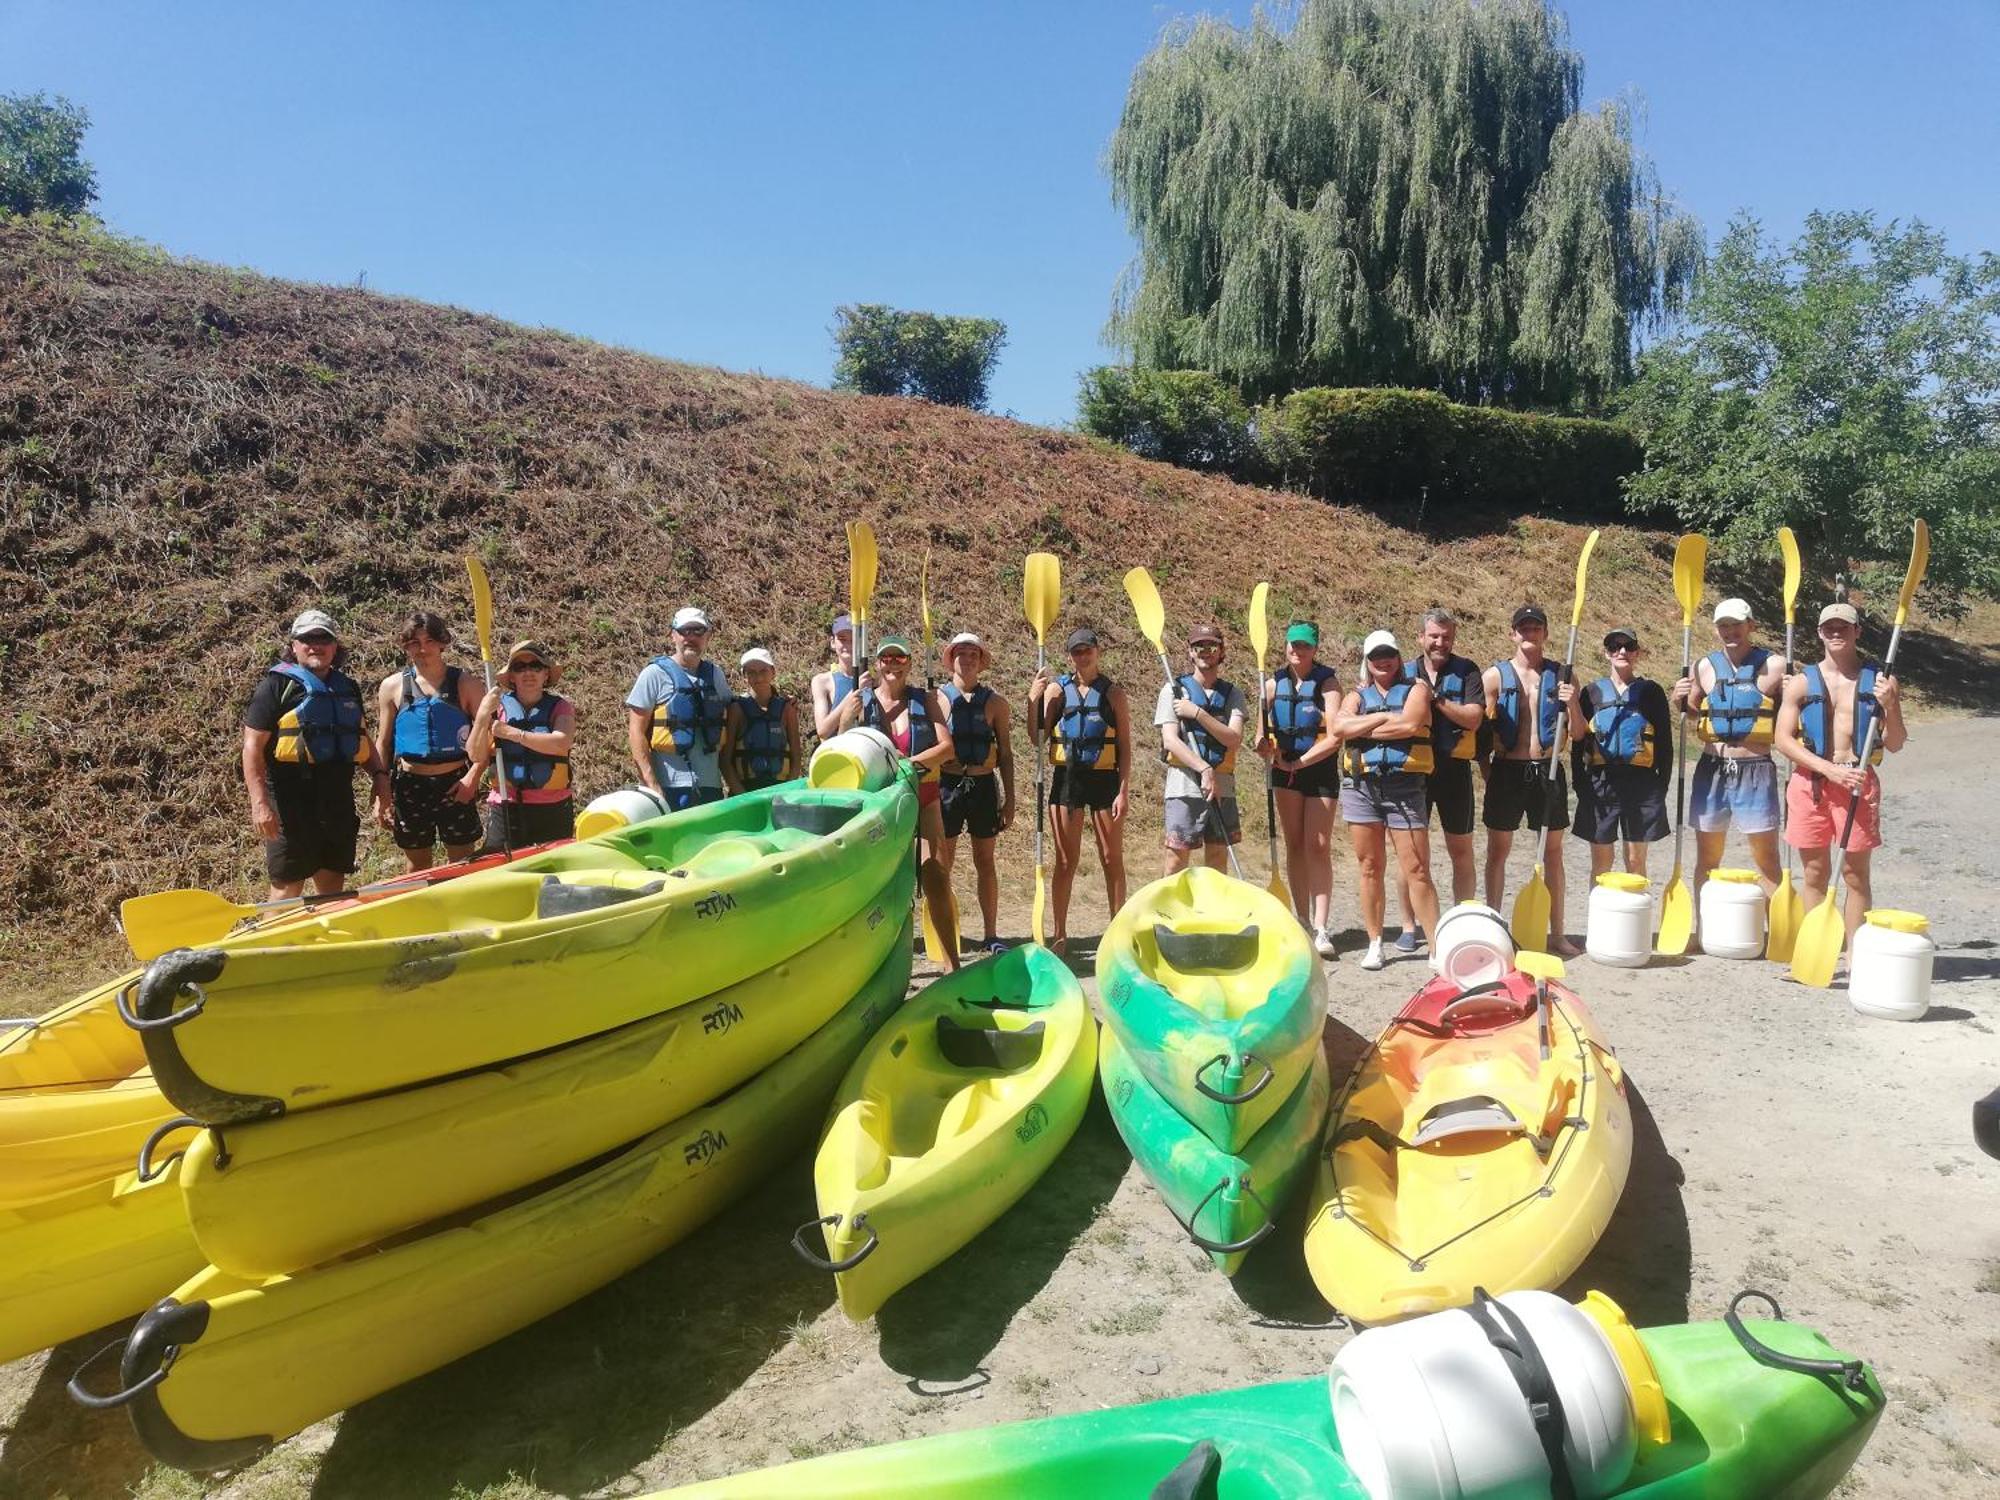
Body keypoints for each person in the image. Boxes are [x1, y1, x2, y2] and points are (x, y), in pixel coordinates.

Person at [1773, 602, 1907, 947]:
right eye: (1829, 628)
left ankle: (1854, 953)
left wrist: (1891, 706)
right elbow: (1782, 740)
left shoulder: (1881, 681)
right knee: (1815, 873)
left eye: (1844, 627)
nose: (1836, 633)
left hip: (1858, 782)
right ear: (1819, 633)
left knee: (1855, 875)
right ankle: (1816, 950)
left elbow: (1895, 743)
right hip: (1812, 784)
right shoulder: (1802, 683)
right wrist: (1828, 770)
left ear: (1857, 632)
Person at [242, 609, 383, 900]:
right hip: (290, 801)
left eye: (324, 638)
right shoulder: (276, 686)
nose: (315, 645)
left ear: (335, 646)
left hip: (337, 798)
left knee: (332, 882)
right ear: (294, 645)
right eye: (307, 638)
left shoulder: (347, 688)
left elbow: (361, 737)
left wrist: (381, 780)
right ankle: (275, 941)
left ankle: (324, 941)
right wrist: (260, 804)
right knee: (287, 886)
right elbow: (252, 748)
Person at [1336, 631, 1441, 971]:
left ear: (1398, 656)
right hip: (1361, 788)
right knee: (1369, 867)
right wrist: (1382, 719)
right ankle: (1375, 943)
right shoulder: (1356, 694)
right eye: (1376, 656)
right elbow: (1338, 727)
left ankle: (1436, 948)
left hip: (1405, 788)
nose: (1383, 661)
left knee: (1417, 870)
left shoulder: (1418, 689)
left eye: (1389, 654)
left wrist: (1363, 727)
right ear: (1367, 660)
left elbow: (1410, 724)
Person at [1672, 597, 1787, 902]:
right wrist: (1679, 701)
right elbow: (1695, 710)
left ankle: (1776, 935)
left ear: (1751, 626)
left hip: (1756, 769)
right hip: (1713, 768)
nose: (1730, 631)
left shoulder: (1775, 666)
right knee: (1707, 860)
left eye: (1736, 625)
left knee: (1767, 860)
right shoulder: (1704, 666)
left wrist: (1792, 694)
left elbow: (1791, 716)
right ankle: (1703, 928)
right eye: (1723, 626)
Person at [1482, 603, 1580, 956]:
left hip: (1547, 770)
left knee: (1552, 854)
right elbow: (1482, 733)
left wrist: (1575, 705)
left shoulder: (1563, 676)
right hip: (1507, 770)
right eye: (1523, 628)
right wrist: (1487, 770)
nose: (1529, 633)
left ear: (1545, 634)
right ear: (1513, 633)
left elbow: (1580, 732)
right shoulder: (1494, 676)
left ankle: (1558, 933)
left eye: (1535, 628)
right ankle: (1495, 925)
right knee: (1498, 850)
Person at [1029, 628, 1131, 955]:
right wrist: (1034, 699)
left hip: (1104, 780)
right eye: (1076, 652)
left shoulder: (1113, 694)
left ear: (1097, 652)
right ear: (1069, 655)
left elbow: (1126, 747)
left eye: (1087, 650)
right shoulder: (1056, 691)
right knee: (1064, 860)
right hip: (1067, 779)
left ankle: (1116, 932)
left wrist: (1123, 791)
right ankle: (1059, 935)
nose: (1082, 657)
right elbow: (1037, 737)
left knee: (1111, 857)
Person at [862, 633, 960, 970]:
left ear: (909, 664)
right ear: (877, 664)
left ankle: (952, 966)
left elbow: (947, 749)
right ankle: (886, 966)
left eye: (899, 659)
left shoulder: (926, 700)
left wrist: (908, 766)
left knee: (936, 877)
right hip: (883, 807)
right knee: (887, 887)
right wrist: (847, 713)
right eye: (886, 659)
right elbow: (836, 742)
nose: (893, 665)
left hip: (924, 799)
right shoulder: (862, 702)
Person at [1394, 607, 1485, 948]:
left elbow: (1474, 718)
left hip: (1453, 772)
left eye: (1446, 637)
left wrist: (1435, 698)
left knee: (1460, 849)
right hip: (1412, 772)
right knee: (1411, 856)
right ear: (1421, 638)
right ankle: (1408, 925)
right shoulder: (1402, 672)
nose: (1439, 642)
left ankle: (1461, 919)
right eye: (1433, 636)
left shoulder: (1468, 671)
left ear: (1453, 638)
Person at [373, 610, 487, 873]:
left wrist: (473, 778)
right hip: (410, 785)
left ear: (442, 642)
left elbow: (488, 738)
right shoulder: (391, 687)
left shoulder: (467, 685)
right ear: (405, 646)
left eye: (430, 641)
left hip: (455, 782)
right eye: (414, 643)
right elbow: (383, 742)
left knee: (461, 863)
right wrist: (381, 790)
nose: (423, 649)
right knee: (417, 864)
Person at [1256, 620, 1342, 958]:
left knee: (1317, 845)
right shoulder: (1272, 684)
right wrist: (1264, 744)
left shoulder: (1328, 683)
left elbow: (1335, 736)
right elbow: (1260, 737)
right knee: (1294, 844)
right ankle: (1302, 920)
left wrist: (1300, 762)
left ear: (1315, 649)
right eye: (1293, 644)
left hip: (1317, 768)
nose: (1297, 650)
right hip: (1284, 769)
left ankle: (1321, 927)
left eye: (1304, 645)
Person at [1568, 628, 1672, 879]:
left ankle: (1635, 915)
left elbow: (1665, 743)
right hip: (1601, 783)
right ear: (1607, 653)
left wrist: (1661, 785)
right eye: (1614, 646)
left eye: (1628, 646)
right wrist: (1581, 784)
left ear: (1637, 652)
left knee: (1635, 861)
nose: (1622, 651)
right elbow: (1578, 742)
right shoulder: (1591, 693)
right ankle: (1599, 916)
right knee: (1602, 864)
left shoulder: (1651, 692)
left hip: (1641, 783)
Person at [936, 632, 1016, 955]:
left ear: (981, 661)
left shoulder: (995, 704)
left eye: (973, 654)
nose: (966, 660)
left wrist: (1009, 800)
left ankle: (991, 935)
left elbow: (1007, 755)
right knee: (944, 863)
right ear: (952, 659)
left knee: (986, 861)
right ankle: (946, 933)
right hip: (949, 786)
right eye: (961, 654)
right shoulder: (938, 700)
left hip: (983, 787)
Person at [1156, 622, 1248, 876]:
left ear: (1221, 651)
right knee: (1176, 858)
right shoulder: (1173, 690)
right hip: (1183, 785)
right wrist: (1203, 767)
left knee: (1218, 859)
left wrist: (1196, 713)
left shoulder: (1232, 694)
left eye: (1211, 645)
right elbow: (1170, 740)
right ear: (1190, 652)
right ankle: (1170, 913)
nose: (1205, 650)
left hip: (1223, 785)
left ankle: (1214, 914)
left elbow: (1233, 739)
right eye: (1198, 646)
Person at [469, 639, 576, 850]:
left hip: (551, 808)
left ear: (545, 674)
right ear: (511, 676)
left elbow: (561, 742)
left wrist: (512, 733)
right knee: (499, 870)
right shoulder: (495, 708)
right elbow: (475, 754)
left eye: (535, 666)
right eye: (520, 667)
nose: (528, 673)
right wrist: (482, 715)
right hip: (506, 807)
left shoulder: (560, 707)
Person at [625, 606, 730, 811]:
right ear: (673, 635)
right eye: (684, 631)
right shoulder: (654, 674)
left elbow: (732, 714)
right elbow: (636, 732)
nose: (691, 637)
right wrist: (652, 785)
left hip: (711, 787)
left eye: (698, 631)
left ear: (708, 635)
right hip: (669, 788)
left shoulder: (715, 675)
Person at [724, 647, 802, 794]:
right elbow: (725, 761)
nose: (758, 677)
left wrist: (787, 791)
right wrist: (742, 797)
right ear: (744, 675)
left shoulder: (787, 709)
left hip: (780, 790)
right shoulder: (736, 709)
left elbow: (796, 757)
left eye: (763, 671)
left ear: (773, 672)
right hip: (745, 791)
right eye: (751, 672)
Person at [809, 613, 861, 742]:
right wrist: (854, 693)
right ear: (833, 642)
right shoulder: (822, 682)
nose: (848, 645)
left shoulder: (873, 680)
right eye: (842, 639)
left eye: (853, 639)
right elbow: (822, 731)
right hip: (836, 756)